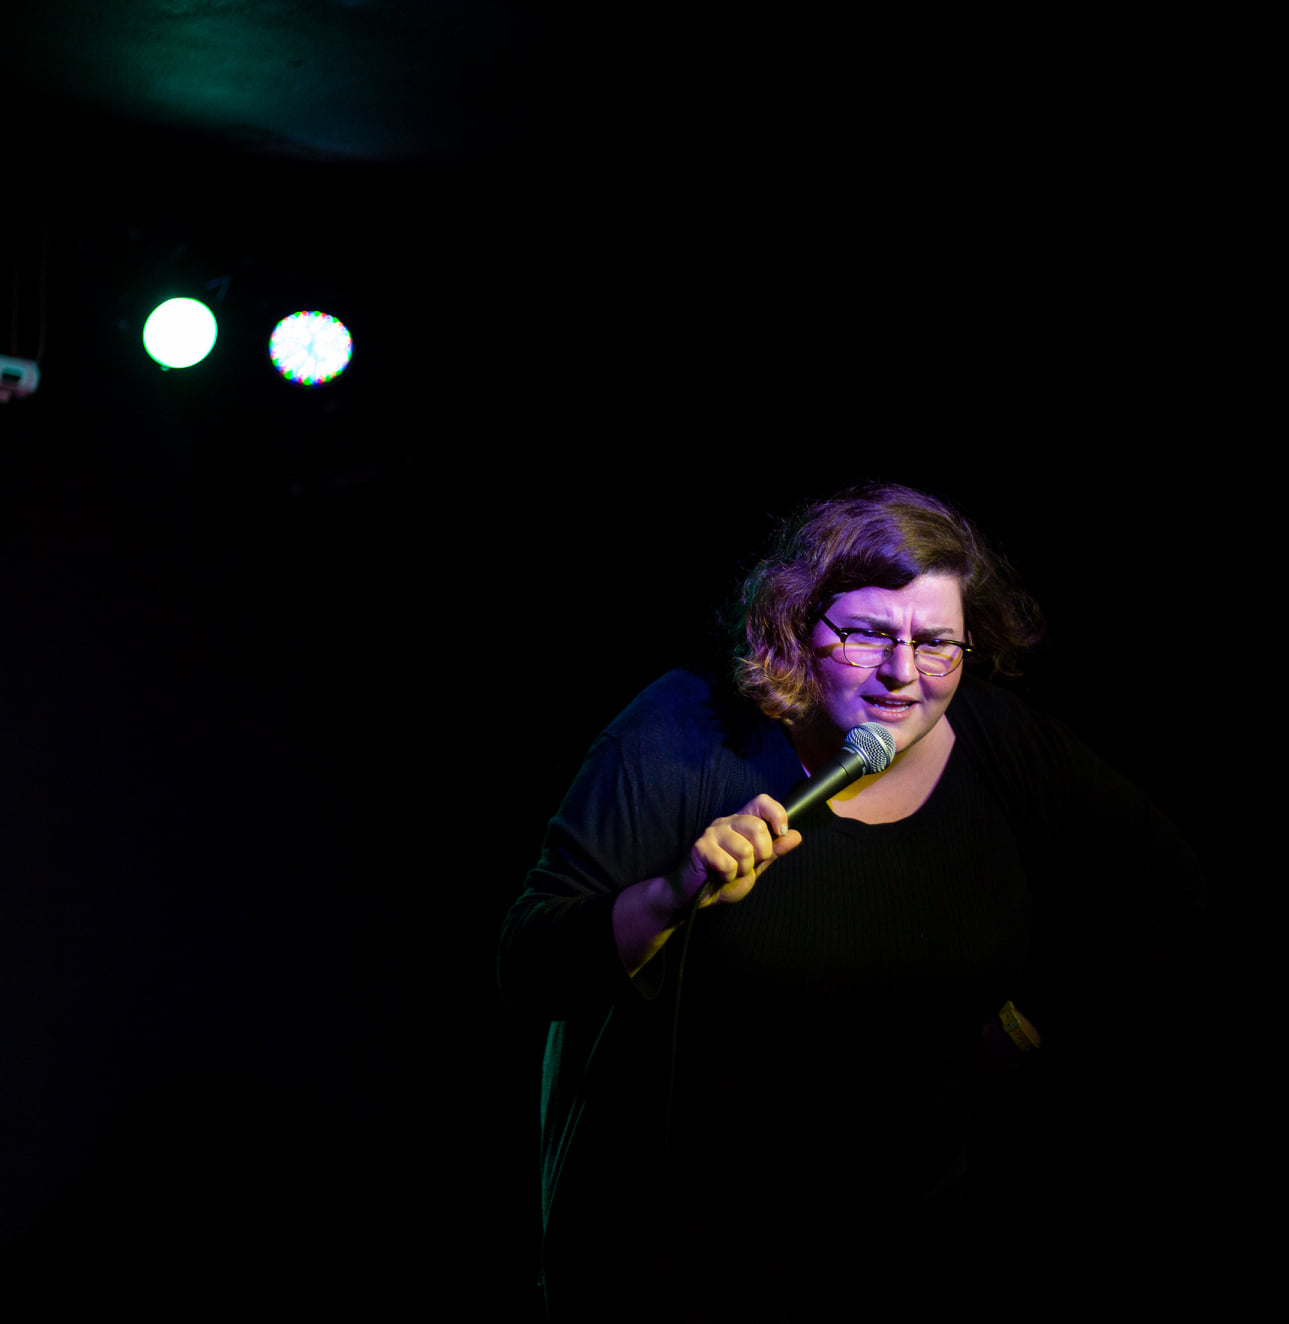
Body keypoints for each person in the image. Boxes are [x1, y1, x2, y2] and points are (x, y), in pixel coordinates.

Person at [497, 482, 1206, 1322]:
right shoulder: (684, 729)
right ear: (796, 627)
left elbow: (1162, 887)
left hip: (909, 1245)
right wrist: (670, 896)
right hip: (681, 1242)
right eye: (867, 634)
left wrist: (1020, 1029)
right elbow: (530, 960)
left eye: (936, 643)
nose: (903, 673)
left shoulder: (1006, 748)